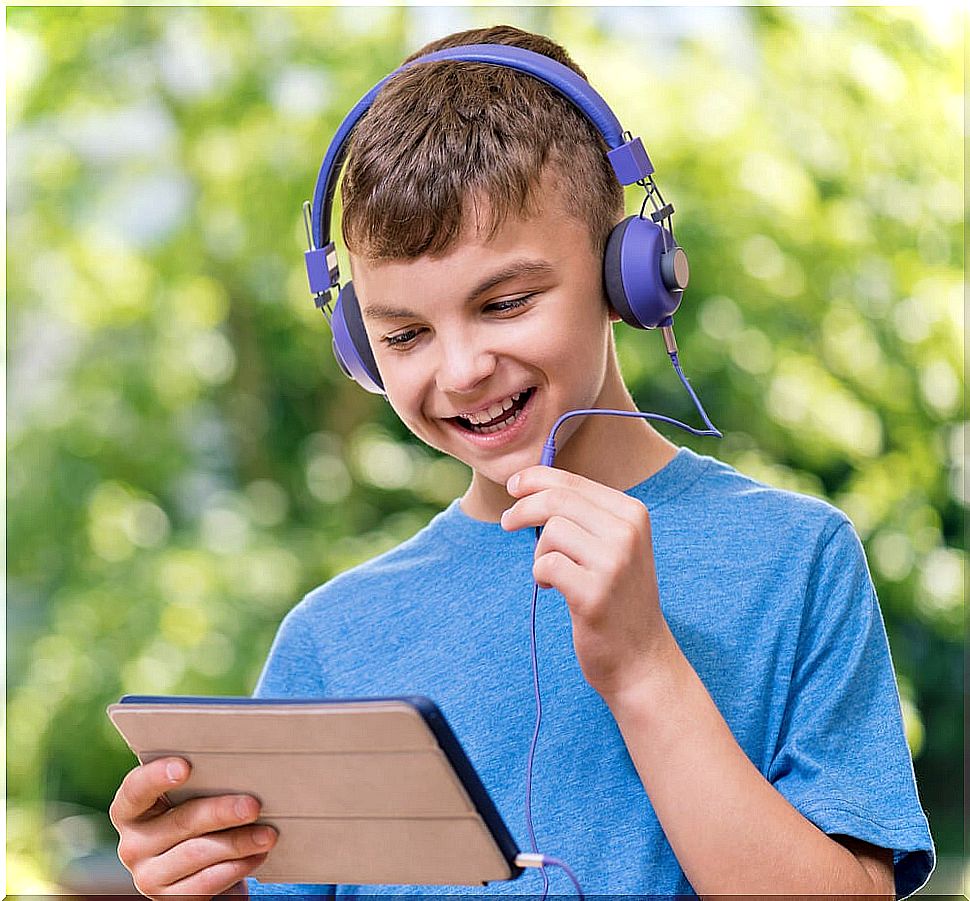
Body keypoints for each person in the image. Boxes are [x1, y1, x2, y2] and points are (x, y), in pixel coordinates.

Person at [109, 24, 935, 899]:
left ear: (629, 275)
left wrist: (646, 666)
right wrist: (206, 881)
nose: (461, 369)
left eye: (504, 302)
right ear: (359, 348)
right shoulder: (330, 639)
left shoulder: (795, 560)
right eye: (403, 334)